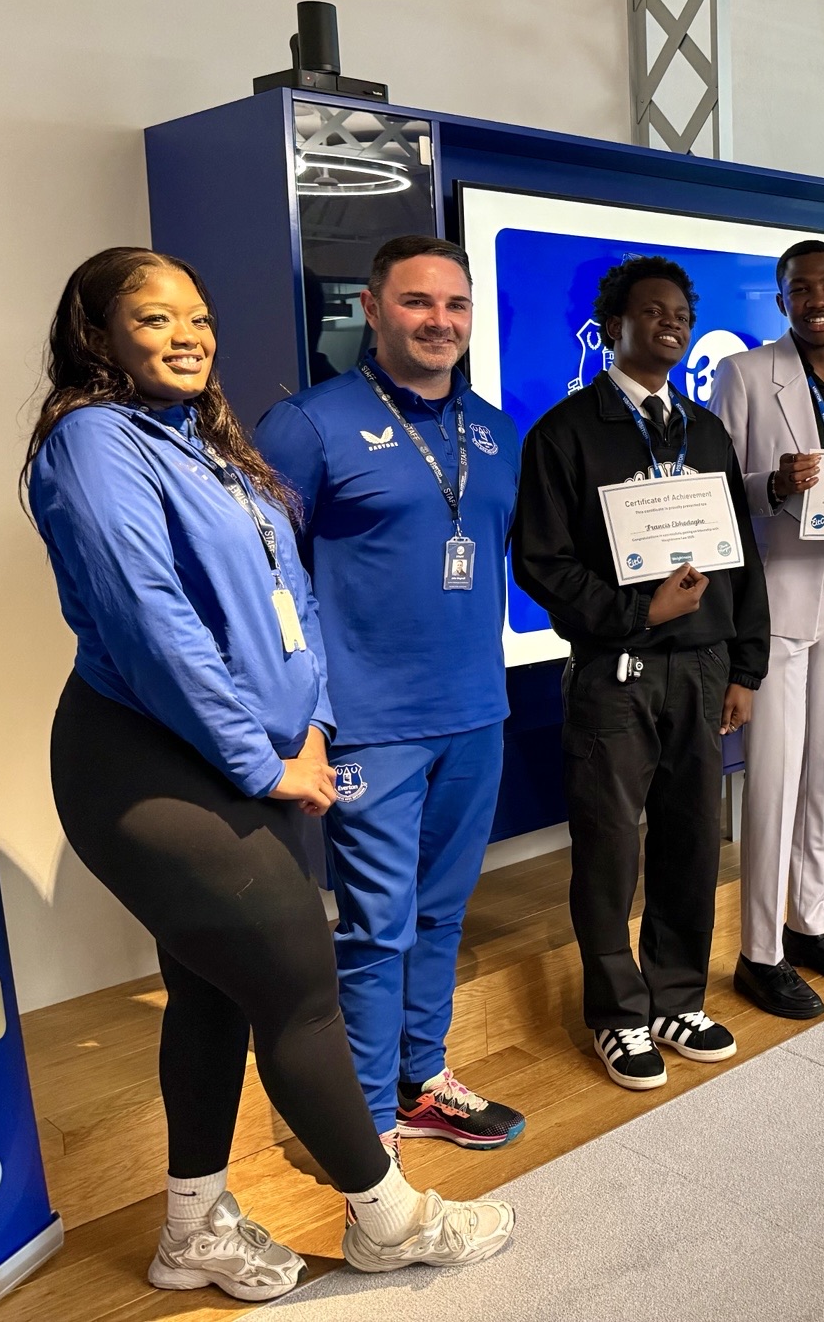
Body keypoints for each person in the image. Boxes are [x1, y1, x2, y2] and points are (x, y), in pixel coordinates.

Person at [26, 249, 513, 1298]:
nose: (186, 335)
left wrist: (313, 728)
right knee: (298, 983)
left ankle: (190, 1227)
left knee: (216, 994)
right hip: (147, 754)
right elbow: (150, 625)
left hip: (260, 753)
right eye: (154, 319)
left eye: (197, 316)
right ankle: (387, 1217)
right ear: (98, 334)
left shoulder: (199, 439)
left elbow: (293, 595)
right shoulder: (93, 440)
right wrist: (261, 756)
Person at [256, 235, 525, 1155]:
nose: (439, 321)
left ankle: (422, 1078)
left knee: (445, 912)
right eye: (417, 302)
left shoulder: (494, 431)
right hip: (369, 726)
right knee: (377, 927)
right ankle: (366, 1122)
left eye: (455, 305)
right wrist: (307, 723)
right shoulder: (308, 424)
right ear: (372, 310)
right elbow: (265, 582)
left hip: (475, 714)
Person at [513, 256, 769, 1091]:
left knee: (695, 839)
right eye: (650, 312)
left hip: (701, 673)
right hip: (615, 673)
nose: (669, 324)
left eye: (679, 315)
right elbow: (541, 563)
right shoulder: (565, 431)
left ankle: (676, 997)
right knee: (611, 852)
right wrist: (636, 613)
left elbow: (740, 561)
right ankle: (617, 1015)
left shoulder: (704, 431)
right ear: (612, 326)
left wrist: (745, 665)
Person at [712, 239, 824, 1020]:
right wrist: (774, 482)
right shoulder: (744, 375)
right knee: (774, 782)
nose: (820, 298)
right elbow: (716, 493)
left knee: (823, 777)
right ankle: (759, 951)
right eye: (802, 287)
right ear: (781, 299)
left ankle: (808, 920)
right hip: (777, 608)